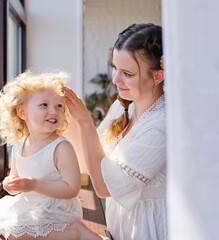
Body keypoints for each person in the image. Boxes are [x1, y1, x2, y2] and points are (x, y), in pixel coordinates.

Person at [64, 23, 167, 240]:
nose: (115, 80)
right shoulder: (123, 107)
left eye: (127, 73)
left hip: (148, 232)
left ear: (158, 76)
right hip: (118, 231)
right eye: (115, 68)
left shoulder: (161, 125)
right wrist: (64, 118)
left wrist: (85, 122)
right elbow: (86, 162)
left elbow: (103, 187)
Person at [0, 71, 83, 239]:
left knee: (17, 234)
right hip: (32, 205)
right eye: (44, 105)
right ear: (22, 113)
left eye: (59, 106)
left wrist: (34, 185)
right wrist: (11, 183)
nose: (53, 111)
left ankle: (76, 232)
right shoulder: (19, 146)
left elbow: (72, 189)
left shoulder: (61, 147)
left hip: (58, 210)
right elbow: (15, 177)